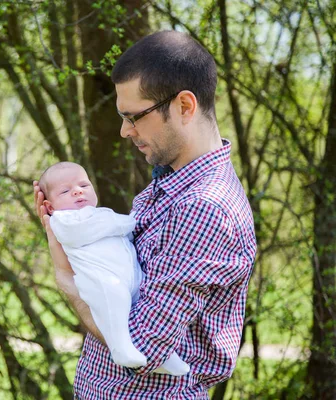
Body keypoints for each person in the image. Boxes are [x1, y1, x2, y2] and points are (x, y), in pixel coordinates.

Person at [33, 30, 257, 399]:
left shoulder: (203, 208)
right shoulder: (168, 186)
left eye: (135, 116)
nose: (125, 131)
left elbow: (139, 347)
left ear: (185, 106)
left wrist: (66, 278)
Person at [39, 161, 189, 375]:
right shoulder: (64, 220)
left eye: (84, 185)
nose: (77, 191)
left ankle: (164, 355)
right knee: (115, 303)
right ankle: (120, 346)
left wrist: (122, 226)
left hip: (129, 275)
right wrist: (127, 223)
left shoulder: (99, 213)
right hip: (101, 279)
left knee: (140, 302)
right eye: (65, 190)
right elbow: (103, 227)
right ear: (51, 207)